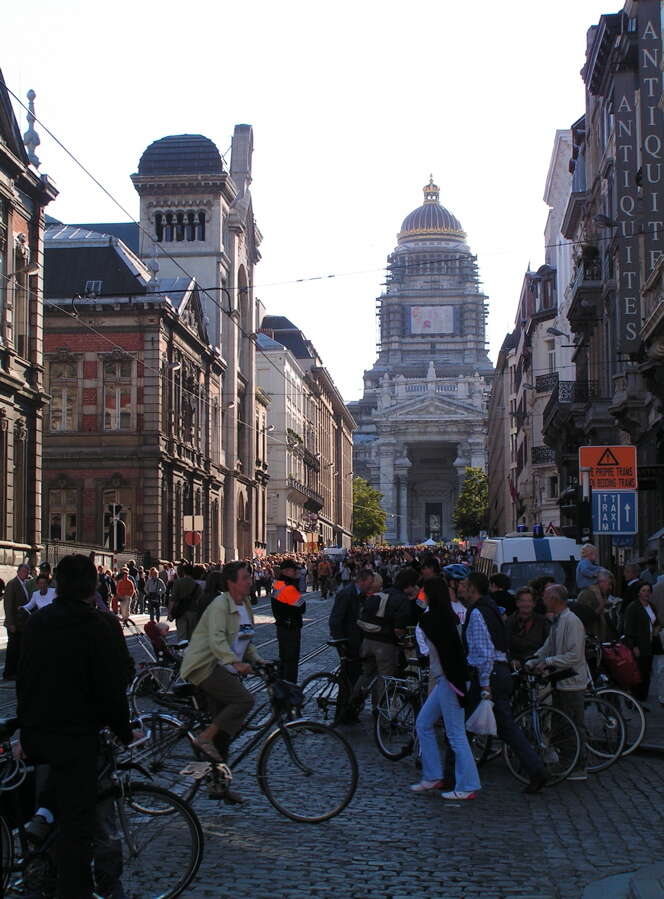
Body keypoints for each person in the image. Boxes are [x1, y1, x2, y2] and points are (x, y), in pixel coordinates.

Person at [17, 554, 135, 899]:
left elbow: (24, 681)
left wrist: (26, 731)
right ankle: (75, 888)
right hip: (80, 739)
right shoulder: (101, 625)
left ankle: (40, 871)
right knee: (80, 827)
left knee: (49, 804)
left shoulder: (39, 623)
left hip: (41, 735)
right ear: (93, 585)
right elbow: (112, 688)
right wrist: (125, 731)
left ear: (58, 584)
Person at [464, 572, 546, 794]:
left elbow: (485, 651)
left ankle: (454, 776)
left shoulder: (478, 611)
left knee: (465, 728)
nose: (461, 588)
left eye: (464, 585)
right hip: (501, 672)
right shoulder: (491, 608)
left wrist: (484, 685)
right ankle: (536, 769)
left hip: (490, 675)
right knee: (506, 728)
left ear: (472, 588)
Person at [181, 561, 263, 768]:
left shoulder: (245, 604)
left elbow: (247, 637)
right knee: (244, 700)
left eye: (249, 577)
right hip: (206, 666)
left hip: (225, 667)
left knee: (225, 733)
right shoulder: (220, 605)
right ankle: (204, 737)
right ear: (231, 583)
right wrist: (236, 663)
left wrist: (260, 661)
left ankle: (219, 784)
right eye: (245, 577)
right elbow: (217, 640)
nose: (250, 581)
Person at [412, 576, 481, 801]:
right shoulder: (446, 617)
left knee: (455, 734)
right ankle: (433, 775)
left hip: (450, 680)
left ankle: (468, 784)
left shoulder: (432, 619)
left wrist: (457, 683)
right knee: (423, 723)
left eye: (423, 593)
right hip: (447, 679)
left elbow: (447, 653)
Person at [528, 583, 590, 781]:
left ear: (555, 599)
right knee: (562, 722)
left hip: (572, 680)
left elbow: (574, 655)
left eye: (545, 597)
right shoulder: (558, 620)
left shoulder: (572, 622)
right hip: (561, 679)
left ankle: (577, 765)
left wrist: (547, 662)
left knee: (572, 724)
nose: (543, 600)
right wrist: (536, 658)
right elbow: (549, 645)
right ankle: (567, 760)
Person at [353, 573, 411, 709]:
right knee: (384, 679)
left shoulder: (378, 596)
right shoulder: (400, 599)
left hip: (367, 641)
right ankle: (380, 712)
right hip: (385, 644)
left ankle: (352, 701)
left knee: (366, 673)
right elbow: (399, 628)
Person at [328, 567, 377, 696]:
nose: (371, 586)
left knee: (355, 675)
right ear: (361, 581)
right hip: (347, 642)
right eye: (369, 582)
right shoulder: (346, 594)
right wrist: (341, 642)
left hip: (355, 640)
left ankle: (350, 708)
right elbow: (335, 620)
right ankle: (344, 711)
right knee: (349, 677)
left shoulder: (360, 594)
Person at [624, 581, 659, 703]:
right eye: (643, 590)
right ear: (638, 592)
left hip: (650, 644)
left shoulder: (651, 606)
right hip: (639, 645)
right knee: (638, 673)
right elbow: (628, 628)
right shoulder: (633, 607)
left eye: (648, 591)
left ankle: (642, 698)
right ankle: (634, 698)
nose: (646, 593)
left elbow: (656, 621)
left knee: (647, 672)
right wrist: (633, 646)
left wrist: (656, 629)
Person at [271, 559, 306, 683]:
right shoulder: (288, 587)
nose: (296, 571)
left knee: (284, 659)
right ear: (285, 571)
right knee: (291, 661)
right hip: (291, 627)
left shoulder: (278, 584)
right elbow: (302, 607)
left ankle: (282, 685)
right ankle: (290, 688)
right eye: (293, 569)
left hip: (282, 626)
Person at [505, 586, 550, 663]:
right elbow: (503, 646)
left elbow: (549, 646)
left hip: (536, 664)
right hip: (513, 665)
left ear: (534, 604)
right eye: (522, 601)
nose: (526, 604)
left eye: (529, 601)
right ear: (517, 603)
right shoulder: (509, 621)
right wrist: (511, 660)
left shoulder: (543, 622)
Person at [2, 563, 30, 680]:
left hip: (22, 624)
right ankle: (9, 672)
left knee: (18, 649)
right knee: (13, 649)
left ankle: (15, 671)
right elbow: (8, 605)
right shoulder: (12, 584)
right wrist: (10, 623)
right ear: (19, 571)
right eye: (24, 572)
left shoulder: (24, 584)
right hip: (14, 623)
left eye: (27, 572)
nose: (26, 574)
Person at [575, 568, 617, 642]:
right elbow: (586, 618)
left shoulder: (602, 594)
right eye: (609, 583)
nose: (610, 587)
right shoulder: (587, 595)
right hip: (591, 641)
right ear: (600, 582)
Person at [169, 563, 201, 641]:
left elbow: (173, 599)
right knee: (191, 636)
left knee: (181, 635)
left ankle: (182, 651)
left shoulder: (178, 582)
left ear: (183, 572)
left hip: (180, 611)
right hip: (193, 611)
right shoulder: (197, 584)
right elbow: (199, 600)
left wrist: (170, 613)